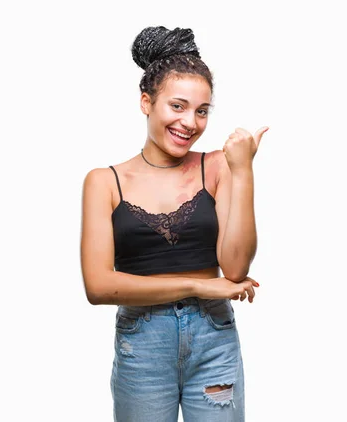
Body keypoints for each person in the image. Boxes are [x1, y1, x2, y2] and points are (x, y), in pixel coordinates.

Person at [79, 26, 267, 421]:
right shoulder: (104, 181)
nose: (190, 122)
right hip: (142, 343)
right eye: (177, 106)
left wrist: (243, 170)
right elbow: (98, 287)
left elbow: (234, 269)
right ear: (146, 102)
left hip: (213, 338)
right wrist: (199, 284)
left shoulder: (216, 166)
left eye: (201, 111)